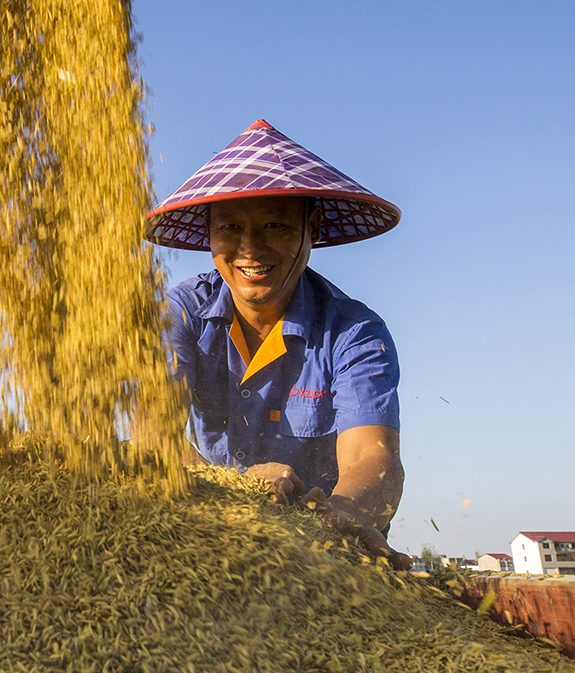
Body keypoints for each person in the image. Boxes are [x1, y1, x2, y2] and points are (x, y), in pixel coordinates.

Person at [145, 119, 410, 569]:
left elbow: (374, 459)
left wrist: (336, 518)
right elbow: (155, 435)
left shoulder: (353, 332)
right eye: (229, 227)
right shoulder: (182, 313)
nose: (249, 249)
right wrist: (236, 493)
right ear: (209, 233)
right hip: (215, 535)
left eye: (274, 225)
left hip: (325, 549)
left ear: (311, 228)